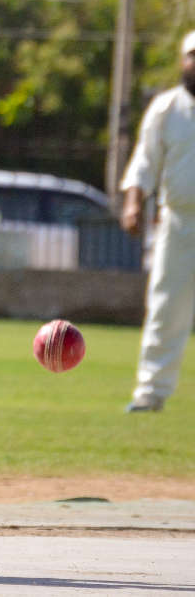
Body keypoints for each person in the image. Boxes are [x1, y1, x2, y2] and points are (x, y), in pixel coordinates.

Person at [120, 29, 195, 413]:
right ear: (183, 61)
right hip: (179, 222)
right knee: (166, 309)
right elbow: (145, 161)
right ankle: (150, 393)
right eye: (193, 56)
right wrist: (133, 204)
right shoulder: (167, 108)